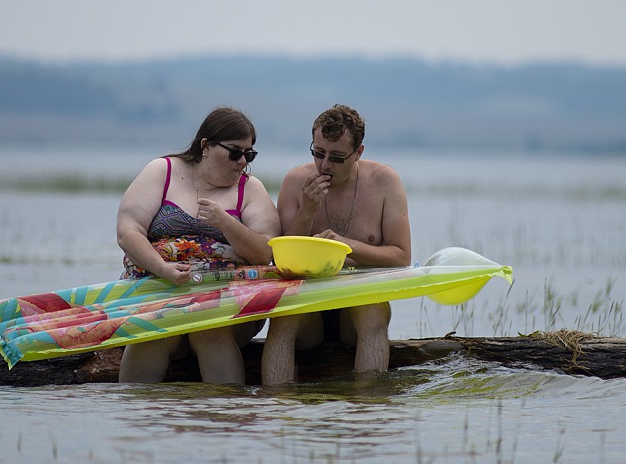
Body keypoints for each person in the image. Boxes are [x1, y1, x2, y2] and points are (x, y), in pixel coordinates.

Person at [117, 107, 280, 384]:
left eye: (248, 154)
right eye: (235, 152)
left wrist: (226, 224)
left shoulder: (250, 189)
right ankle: (136, 416)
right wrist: (164, 269)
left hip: (227, 302)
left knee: (208, 327)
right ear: (206, 145)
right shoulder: (163, 170)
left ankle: (225, 412)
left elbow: (266, 252)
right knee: (153, 330)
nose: (242, 162)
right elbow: (128, 231)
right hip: (159, 293)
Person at [261, 104, 412, 385]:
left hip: (358, 305)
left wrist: (346, 245)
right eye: (318, 153)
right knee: (282, 315)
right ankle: (277, 413)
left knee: (373, 307)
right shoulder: (295, 181)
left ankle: (366, 409)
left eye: (337, 157)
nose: (325, 165)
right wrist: (307, 210)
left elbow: (401, 256)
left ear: (358, 153)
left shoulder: (385, 181)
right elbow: (281, 259)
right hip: (310, 307)